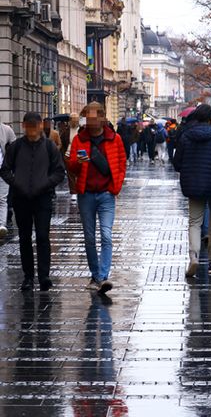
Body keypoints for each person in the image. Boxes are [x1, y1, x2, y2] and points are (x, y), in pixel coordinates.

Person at [0, 112, 65, 291]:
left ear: (39, 126)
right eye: (28, 127)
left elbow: (59, 172)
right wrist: (16, 183)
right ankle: (28, 276)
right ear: (24, 126)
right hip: (21, 198)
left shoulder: (50, 147)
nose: (31, 131)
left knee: (43, 236)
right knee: (24, 238)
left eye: (34, 126)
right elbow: (4, 169)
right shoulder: (16, 147)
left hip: (43, 198)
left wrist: (46, 183)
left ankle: (44, 276)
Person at [67, 102, 127, 295]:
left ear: (102, 117)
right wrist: (78, 162)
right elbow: (72, 168)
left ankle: (102, 276)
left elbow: (121, 162)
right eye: (87, 117)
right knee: (89, 237)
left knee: (106, 235)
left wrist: (115, 186)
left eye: (94, 116)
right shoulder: (79, 139)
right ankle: (95, 275)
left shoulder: (114, 138)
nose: (91, 120)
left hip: (106, 194)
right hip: (86, 194)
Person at [173, 104, 211, 277]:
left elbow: (177, 163)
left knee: (194, 222)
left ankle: (194, 257)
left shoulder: (185, 136)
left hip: (194, 185)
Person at [0, 119, 16, 236]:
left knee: (2, 198)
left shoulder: (6, 129)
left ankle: (2, 224)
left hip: (2, 170)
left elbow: (15, 146)